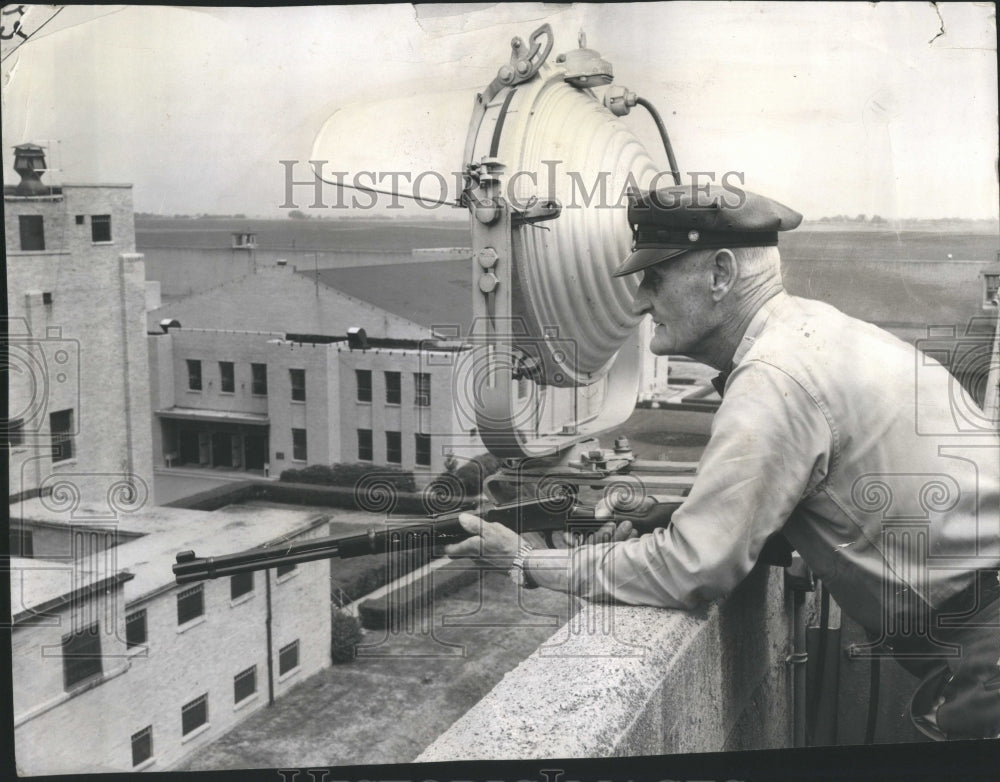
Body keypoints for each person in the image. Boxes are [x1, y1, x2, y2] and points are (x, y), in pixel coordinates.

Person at [444, 183, 1000, 740]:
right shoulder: (816, 329)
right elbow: (835, 496)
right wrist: (673, 516)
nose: (639, 301)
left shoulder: (772, 379)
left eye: (653, 278)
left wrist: (525, 562)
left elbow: (695, 568)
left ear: (721, 274)